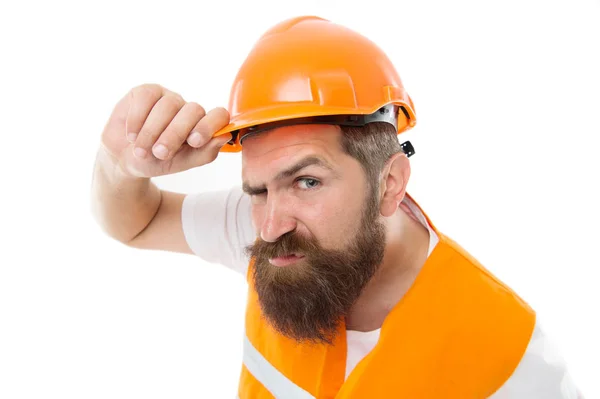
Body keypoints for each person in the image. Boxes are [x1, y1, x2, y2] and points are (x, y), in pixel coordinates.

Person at [91, 15, 583, 399]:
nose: (270, 224)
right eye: (257, 189)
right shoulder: (273, 236)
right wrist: (119, 163)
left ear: (390, 181)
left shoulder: (509, 356)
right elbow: (137, 224)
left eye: (306, 181)